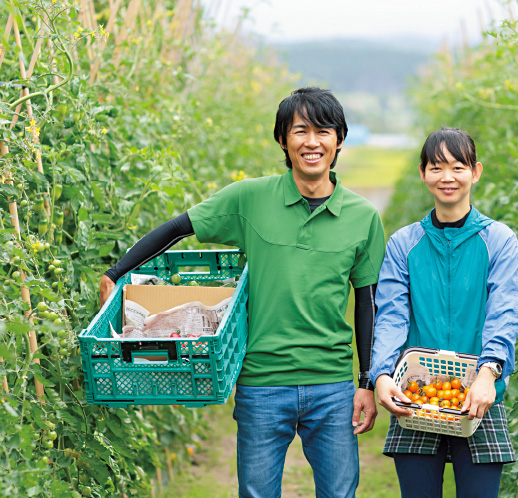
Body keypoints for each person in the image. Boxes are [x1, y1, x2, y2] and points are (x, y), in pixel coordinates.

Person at [99, 87, 385, 498]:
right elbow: (178, 228)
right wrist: (116, 272)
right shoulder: (250, 198)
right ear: (283, 139)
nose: (312, 142)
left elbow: (366, 303)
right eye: (300, 130)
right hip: (262, 383)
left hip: (332, 386)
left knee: (340, 494)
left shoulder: (362, 217)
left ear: (339, 140)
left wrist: (365, 382)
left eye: (323, 131)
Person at [369, 127, 518, 498]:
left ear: (476, 172)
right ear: (423, 173)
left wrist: (489, 371)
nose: (448, 177)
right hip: (417, 396)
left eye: (458, 166)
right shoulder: (405, 243)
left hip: (481, 395)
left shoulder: (499, 240)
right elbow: (391, 315)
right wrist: (382, 374)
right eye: (437, 168)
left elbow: (504, 311)